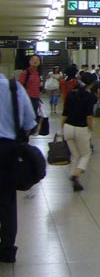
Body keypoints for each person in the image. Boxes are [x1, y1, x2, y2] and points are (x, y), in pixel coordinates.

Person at [1, 71, 38, 263]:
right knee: (7, 201)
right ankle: (6, 250)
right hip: (7, 151)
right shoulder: (14, 88)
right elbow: (29, 122)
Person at [62, 71, 98, 192]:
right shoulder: (90, 97)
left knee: (75, 155)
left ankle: (75, 182)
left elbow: (64, 114)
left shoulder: (71, 94)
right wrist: (90, 129)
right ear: (91, 84)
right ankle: (76, 174)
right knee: (86, 154)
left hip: (68, 128)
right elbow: (89, 117)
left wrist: (62, 129)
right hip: (81, 128)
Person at [18, 55, 43, 120]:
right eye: (33, 59)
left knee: (34, 118)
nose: (35, 61)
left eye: (37, 60)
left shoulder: (38, 73)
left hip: (36, 99)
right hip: (27, 99)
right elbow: (19, 86)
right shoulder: (25, 73)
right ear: (29, 62)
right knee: (27, 119)